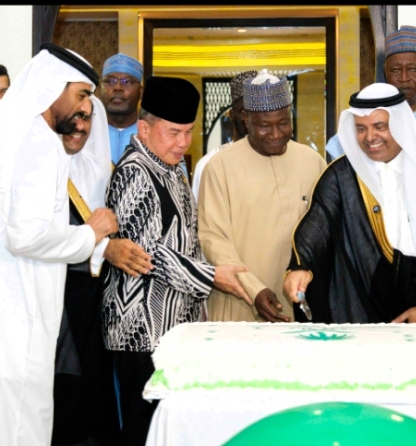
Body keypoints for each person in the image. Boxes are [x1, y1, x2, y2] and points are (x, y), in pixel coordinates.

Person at [0, 43, 118, 446]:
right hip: (19, 315)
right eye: (82, 94)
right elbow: (27, 236)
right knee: (22, 429)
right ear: (53, 85)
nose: (84, 108)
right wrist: (91, 233)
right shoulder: (38, 137)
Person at [283, 83, 416, 336]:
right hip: (368, 305)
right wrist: (301, 265)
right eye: (361, 129)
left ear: (399, 124)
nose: (369, 137)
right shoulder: (341, 174)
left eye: (380, 126)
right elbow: (318, 221)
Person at [102, 76, 248, 445]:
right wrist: (214, 277)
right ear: (144, 128)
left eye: (188, 132)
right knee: (142, 431)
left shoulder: (171, 169)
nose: (183, 143)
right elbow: (146, 256)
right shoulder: (136, 171)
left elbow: (186, 242)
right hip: (140, 333)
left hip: (169, 331)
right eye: (173, 133)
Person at [53, 96, 152, 445]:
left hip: (101, 299)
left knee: (99, 390)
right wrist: (103, 246)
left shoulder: (103, 171)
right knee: (67, 389)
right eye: (73, 115)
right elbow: (43, 238)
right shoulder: (44, 171)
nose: (80, 125)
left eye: (87, 117)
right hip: (60, 298)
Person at [198, 70, 326, 323]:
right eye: (265, 126)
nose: (276, 134)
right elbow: (213, 238)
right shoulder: (220, 166)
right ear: (246, 119)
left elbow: (325, 230)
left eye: (283, 123)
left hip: (301, 303)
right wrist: (253, 289)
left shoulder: (313, 161)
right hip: (240, 302)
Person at [325, 25, 416, 172]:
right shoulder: (364, 121)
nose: (404, 78)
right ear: (385, 72)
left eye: (413, 69)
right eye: (395, 70)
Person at [191, 69, 257, 206]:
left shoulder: (278, 161)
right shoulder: (209, 165)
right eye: (244, 111)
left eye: (257, 111)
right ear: (232, 115)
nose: (250, 118)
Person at [101, 53, 144, 165]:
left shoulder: (154, 138)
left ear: (141, 92)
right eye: (109, 81)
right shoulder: (84, 136)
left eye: (128, 82)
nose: (118, 87)